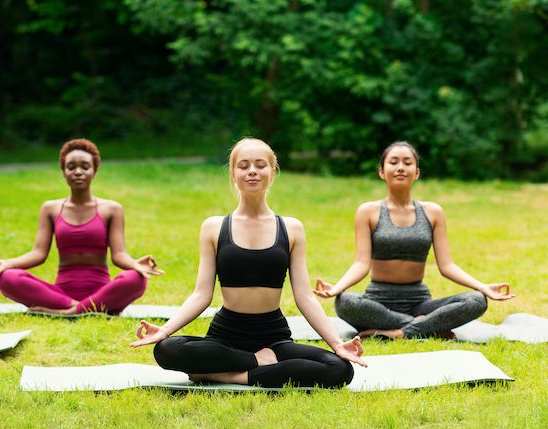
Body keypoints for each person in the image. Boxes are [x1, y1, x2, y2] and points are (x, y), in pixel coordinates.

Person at [130, 138, 365, 389]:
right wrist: (165, 331)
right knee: (167, 349)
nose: (252, 170)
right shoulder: (214, 227)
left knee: (339, 369)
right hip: (226, 336)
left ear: (272, 172)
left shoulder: (292, 228)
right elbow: (201, 294)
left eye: (260, 165)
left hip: (274, 338)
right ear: (233, 174)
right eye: (243, 165)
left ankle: (227, 375)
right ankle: (255, 362)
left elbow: (305, 297)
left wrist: (337, 344)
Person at [314, 141, 515, 339]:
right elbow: (361, 263)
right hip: (377, 302)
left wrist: (483, 287)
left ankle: (401, 332)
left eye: (407, 162)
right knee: (345, 302)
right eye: (393, 162)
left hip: (419, 301)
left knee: (477, 300)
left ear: (416, 173)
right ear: (382, 172)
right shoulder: (368, 211)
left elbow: (447, 265)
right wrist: (338, 287)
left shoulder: (433, 212)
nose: (400, 167)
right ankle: (428, 326)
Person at [0, 138, 163, 315]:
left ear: (94, 171)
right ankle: (87, 308)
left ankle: (69, 312)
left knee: (136, 279)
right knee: (8, 278)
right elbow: (38, 254)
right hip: (61, 294)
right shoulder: (50, 208)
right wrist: (5, 264)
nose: (78, 172)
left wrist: (136, 264)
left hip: (102, 290)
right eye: (71, 167)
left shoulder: (112, 209)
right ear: (63, 171)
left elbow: (119, 255)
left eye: (85, 167)